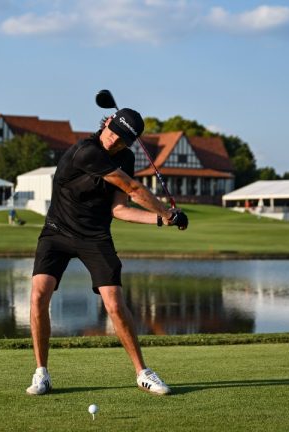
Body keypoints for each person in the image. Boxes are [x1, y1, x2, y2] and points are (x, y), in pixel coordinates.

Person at [26, 108, 188, 396]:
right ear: (107, 123)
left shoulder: (125, 157)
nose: (114, 141)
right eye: (113, 132)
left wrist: (163, 220)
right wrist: (166, 210)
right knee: (39, 293)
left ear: (130, 143)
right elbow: (132, 187)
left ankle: (142, 372)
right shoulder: (85, 151)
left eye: (123, 139)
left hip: (95, 236)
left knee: (114, 303)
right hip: (57, 231)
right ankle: (42, 374)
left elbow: (119, 209)